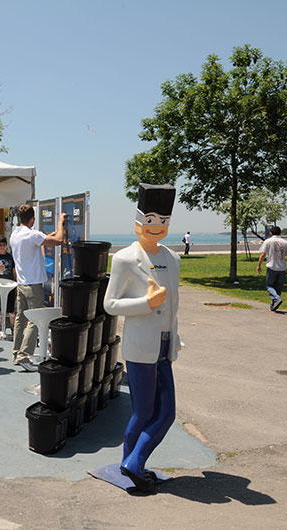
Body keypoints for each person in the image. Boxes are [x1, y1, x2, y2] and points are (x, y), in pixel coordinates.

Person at [103, 183, 181, 493]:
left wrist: (175, 337)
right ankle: (133, 464)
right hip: (139, 346)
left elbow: (173, 306)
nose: (157, 226)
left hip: (164, 344)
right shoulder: (124, 259)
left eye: (163, 221)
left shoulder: (173, 259)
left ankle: (133, 463)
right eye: (150, 220)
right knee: (146, 412)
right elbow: (110, 305)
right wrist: (145, 305)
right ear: (138, 223)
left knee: (165, 411)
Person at [9, 205, 67, 372]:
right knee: (33, 321)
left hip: (21, 283)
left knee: (21, 319)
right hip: (34, 285)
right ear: (32, 219)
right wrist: (60, 223)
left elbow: (42, 239)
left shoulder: (16, 234)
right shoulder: (32, 234)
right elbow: (58, 241)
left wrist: (47, 235)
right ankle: (23, 355)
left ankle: (16, 352)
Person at [256, 226, 287, 312]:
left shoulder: (268, 241)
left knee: (269, 286)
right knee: (278, 288)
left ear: (270, 233)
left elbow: (263, 254)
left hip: (272, 266)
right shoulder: (285, 243)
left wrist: (259, 265)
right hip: (282, 268)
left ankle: (276, 299)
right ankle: (273, 305)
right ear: (280, 233)